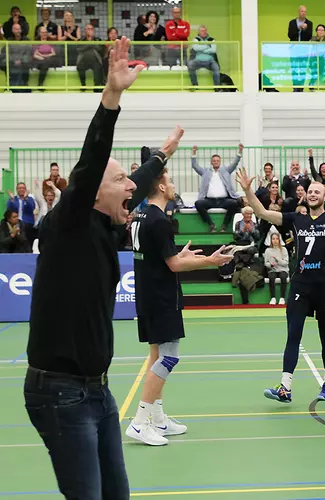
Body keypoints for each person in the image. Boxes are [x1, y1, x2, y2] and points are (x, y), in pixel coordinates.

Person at [24, 38, 183, 498]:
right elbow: (94, 158)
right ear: (93, 190)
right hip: (60, 392)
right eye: (118, 181)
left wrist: (163, 154)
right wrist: (111, 96)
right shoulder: (69, 223)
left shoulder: (105, 224)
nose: (129, 187)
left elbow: (136, 181)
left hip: (97, 390)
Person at [126, 170, 232, 446]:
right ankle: (140, 422)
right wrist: (210, 261)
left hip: (147, 296)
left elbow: (161, 256)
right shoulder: (159, 220)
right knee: (169, 358)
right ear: (161, 187)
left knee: (156, 356)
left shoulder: (140, 216)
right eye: (170, 181)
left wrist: (178, 254)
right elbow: (173, 265)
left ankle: (157, 418)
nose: (173, 185)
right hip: (162, 298)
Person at [237, 171, 325, 403]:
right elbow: (262, 212)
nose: (312, 194)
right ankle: (285, 387)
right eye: (310, 191)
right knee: (293, 335)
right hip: (300, 285)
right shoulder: (296, 218)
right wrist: (247, 191)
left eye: (317, 192)